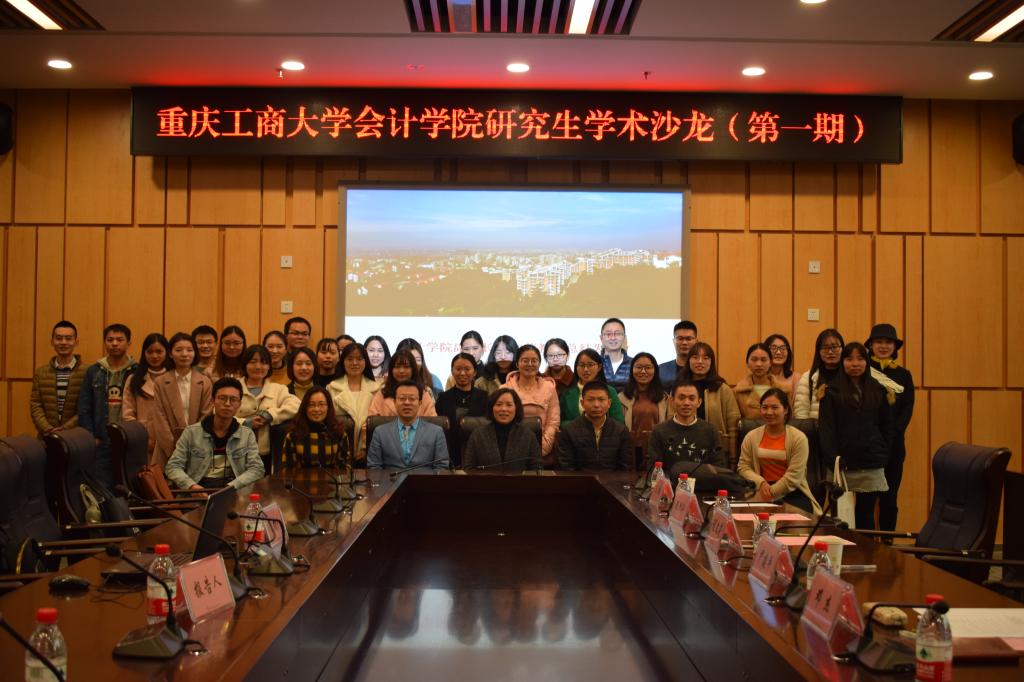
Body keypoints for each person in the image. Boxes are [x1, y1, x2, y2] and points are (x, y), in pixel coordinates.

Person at [818, 342, 893, 531]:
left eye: (860, 359)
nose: (855, 364)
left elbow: (887, 427)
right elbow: (827, 429)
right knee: (840, 519)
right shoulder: (831, 391)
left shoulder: (879, 390)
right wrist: (833, 458)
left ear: (867, 362)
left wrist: (882, 453)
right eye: (849, 359)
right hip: (841, 465)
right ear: (842, 362)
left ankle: (867, 549)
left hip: (871, 463)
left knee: (866, 516)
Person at [164, 377, 264, 490]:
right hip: (197, 490)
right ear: (212, 401)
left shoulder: (247, 435)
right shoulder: (191, 432)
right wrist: (192, 486)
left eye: (233, 399)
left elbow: (257, 469)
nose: (227, 404)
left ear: (239, 404)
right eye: (222, 398)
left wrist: (232, 487)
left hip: (232, 490)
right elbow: (173, 466)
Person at [738, 388, 822, 514]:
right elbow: (743, 467)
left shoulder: (799, 438)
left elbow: (794, 476)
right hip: (760, 490)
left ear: (786, 410)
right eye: (764, 407)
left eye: (774, 407)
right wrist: (761, 483)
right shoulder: (751, 436)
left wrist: (772, 492)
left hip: (793, 493)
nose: (769, 412)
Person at [866, 323, 915, 532]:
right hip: (868, 444)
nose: (883, 346)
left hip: (894, 446)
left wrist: (892, 434)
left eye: (888, 342)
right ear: (871, 345)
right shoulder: (863, 370)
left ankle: (887, 539)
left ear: (895, 347)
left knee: (890, 496)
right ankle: (866, 542)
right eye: (879, 342)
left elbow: (907, 409)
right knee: (866, 500)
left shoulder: (904, 375)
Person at [79, 323, 137, 487]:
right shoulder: (94, 371)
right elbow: (84, 407)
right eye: (110, 340)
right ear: (104, 342)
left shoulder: (137, 370)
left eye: (119, 340)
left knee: (129, 486)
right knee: (102, 488)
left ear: (129, 343)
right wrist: (91, 437)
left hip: (129, 440)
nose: (114, 344)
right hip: (101, 439)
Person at [150, 332, 213, 469]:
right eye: (178, 350)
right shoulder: (161, 382)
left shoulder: (205, 382)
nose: (184, 354)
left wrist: (193, 446)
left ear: (195, 353)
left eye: (189, 350)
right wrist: (174, 450)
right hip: (167, 449)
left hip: (197, 448)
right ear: (170, 354)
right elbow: (160, 417)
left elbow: (206, 415)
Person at [235, 344, 301, 473]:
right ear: (245, 364)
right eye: (253, 362)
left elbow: (296, 406)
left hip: (265, 455)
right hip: (235, 453)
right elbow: (219, 413)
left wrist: (270, 415)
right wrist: (246, 422)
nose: (258, 366)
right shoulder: (233, 386)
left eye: (263, 362)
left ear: (269, 366)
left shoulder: (278, 389)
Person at [645, 380, 727, 481]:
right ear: (672, 401)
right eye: (681, 398)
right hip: (669, 486)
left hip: (703, 485)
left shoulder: (711, 431)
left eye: (692, 398)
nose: (686, 403)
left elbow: (719, 468)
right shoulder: (659, 431)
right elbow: (654, 469)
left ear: (699, 402)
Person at [678, 342, 742, 466]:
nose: (700, 362)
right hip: (683, 449)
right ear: (688, 361)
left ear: (711, 362)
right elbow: (670, 418)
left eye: (705, 358)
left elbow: (733, 425)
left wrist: (733, 458)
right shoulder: (679, 387)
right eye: (695, 357)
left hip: (715, 451)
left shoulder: (722, 389)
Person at [366, 381, 449, 471]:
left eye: (412, 399)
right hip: (390, 479)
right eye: (402, 398)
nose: (407, 403)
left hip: (424, 479)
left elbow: (441, 466)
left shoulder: (436, 432)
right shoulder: (380, 432)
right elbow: (374, 466)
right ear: (394, 402)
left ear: (420, 403)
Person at [557, 381, 632, 471]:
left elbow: (625, 467)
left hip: (612, 479)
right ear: (582, 403)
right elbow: (566, 467)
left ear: (609, 403)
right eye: (590, 400)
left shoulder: (621, 431)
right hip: (580, 479)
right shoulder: (569, 431)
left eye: (601, 400)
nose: (596, 405)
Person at [501, 344, 560, 459]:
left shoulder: (549, 388)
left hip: (542, 451)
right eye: (525, 360)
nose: (530, 364)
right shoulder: (504, 389)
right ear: (517, 364)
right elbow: (500, 423)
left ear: (539, 364)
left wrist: (541, 448)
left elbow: (553, 422)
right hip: (510, 451)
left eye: (534, 361)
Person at [462, 387, 542, 471]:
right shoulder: (478, 435)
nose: (503, 409)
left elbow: (537, 469)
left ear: (516, 408)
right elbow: (469, 468)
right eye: (499, 404)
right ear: (491, 408)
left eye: (509, 405)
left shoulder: (528, 436)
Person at [30, 320, 86, 437]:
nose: (63, 342)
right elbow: (36, 405)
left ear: (76, 342)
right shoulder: (41, 373)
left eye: (68, 338)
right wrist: (48, 429)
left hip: (75, 437)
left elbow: (87, 407)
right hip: (46, 436)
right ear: (52, 342)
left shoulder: (88, 372)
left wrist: (65, 429)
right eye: (59, 338)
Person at [435, 353, 489, 468]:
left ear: (474, 372)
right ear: (452, 371)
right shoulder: (443, 398)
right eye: (458, 369)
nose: (462, 373)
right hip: (449, 453)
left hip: (478, 453)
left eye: (467, 369)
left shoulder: (484, 397)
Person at [327, 342, 380, 456]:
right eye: (350, 359)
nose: (355, 363)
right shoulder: (332, 388)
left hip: (369, 450)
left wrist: (365, 446)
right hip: (339, 449)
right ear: (343, 361)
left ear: (365, 361)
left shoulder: (377, 389)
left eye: (359, 359)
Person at [282, 386, 351, 469]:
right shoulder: (293, 435)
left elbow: (345, 469)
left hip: (332, 478)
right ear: (305, 408)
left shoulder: (339, 433)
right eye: (311, 405)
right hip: (301, 478)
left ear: (328, 407)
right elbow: (287, 471)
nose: (316, 409)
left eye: (321, 404)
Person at [559, 348, 625, 428]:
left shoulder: (610, 391)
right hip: (574, 435)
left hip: (605, 435)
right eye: (581, 365)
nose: (586, 369)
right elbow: (561, 422)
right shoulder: (567, 393)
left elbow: (618, 421)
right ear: (576, 367)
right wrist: (580, 426)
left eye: (590, 365)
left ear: (599, 367)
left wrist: (598, 425)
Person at [617, 352, 669, 444]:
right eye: (639, 367)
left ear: (655, 370)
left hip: (657, 447)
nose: (643, 371)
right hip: (630, 447)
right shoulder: (621, 398)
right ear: (632, 370)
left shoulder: (664, 398)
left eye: (648, 368)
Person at [369, 349, 438, 418]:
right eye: (397, 367)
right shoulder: (382, 394)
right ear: (391, 370)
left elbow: (432, 421)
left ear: (413, 370)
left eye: (406, 367)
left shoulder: (424, 395)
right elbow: (371, 420)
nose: (401, 371)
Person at [793, 329, 845, 420]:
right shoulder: (808, 377)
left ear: (842, 349)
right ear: (818, 351)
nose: (830, 352)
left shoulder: (850, 375)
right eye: (825, 348)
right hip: (815, 427)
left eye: (835, 347)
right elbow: (801, 413)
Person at [734, 342, 792, 419]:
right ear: (747, 363)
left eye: (763, 360)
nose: (759, 364)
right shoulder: (739, 391)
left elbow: (789, 418)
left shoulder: (784, 390)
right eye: (754, 359)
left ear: (770, 362)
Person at [658, 321, 698, 386]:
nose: (684, 342)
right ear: (674, 341)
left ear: (696, 341)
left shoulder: (702, 369)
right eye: (680, 339)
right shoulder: (661, 370)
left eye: (689, 339)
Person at [599, 317, 631, 392]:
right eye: (608, 334)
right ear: (601, 338)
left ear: (624, 337)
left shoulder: (634, 364)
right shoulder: (595, 364)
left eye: (618, 334)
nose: (613, 338)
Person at [764, 333, 801, 397]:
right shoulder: (760, 377)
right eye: (773, 348)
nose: (778, 352)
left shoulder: (796, 378)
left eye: (783, 348)